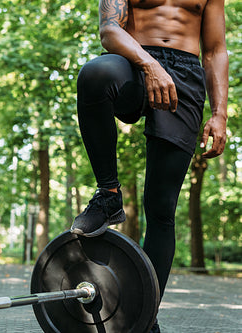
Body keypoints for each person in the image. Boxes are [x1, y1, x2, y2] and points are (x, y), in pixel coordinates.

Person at [70, 0, 228, 331]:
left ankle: (143, 317)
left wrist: (219, 114)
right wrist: (150, 65)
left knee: (160, 209)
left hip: (186, 75)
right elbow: (109, 30)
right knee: (95, 74)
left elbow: (214, 50)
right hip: (133, 63)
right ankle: (108, 194)